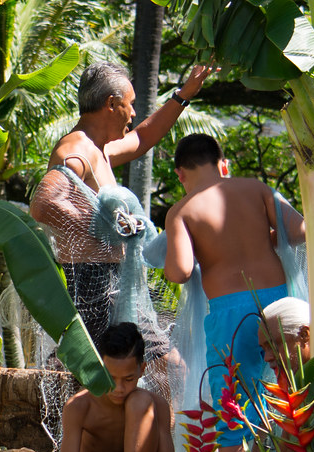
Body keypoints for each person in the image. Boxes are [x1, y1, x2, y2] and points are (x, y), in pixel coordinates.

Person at [29, 61, 214, 347]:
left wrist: (184, 95)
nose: (134, 112)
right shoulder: (75, 150)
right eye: (130, 104)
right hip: (91, 283)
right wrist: (105, 225)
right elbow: (43, 204)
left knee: (159, 368)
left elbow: (141, 138)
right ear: (112, 104)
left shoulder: (98, 148)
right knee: (147, 370)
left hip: (117, 282)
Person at [163, 134, 306, 452]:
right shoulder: (255, 188)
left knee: (235, 412)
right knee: (288, 398)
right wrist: (261, 238)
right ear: (222, 164)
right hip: (278, 305)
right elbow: (299, 230)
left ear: (180, 174)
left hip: (232, 314)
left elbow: (180, 271)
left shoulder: (181, 212)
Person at [38, 323, 176, 452]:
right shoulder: (79, 405)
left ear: (142, 369)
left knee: (140, 401)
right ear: (99, 369)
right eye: (111, 378)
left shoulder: (157, 405)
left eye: (128, 379)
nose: (119, 388)